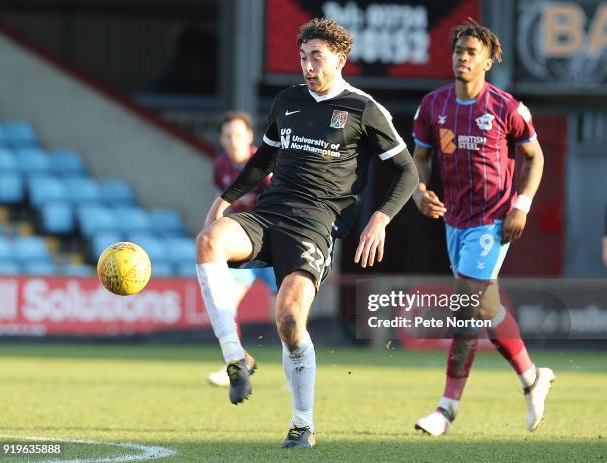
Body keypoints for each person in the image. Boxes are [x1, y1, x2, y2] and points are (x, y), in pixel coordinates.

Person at [196, 18, 418, 448]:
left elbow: (407, 171)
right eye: (303, 57)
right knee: (209, 241)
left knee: (290, 321)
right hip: (269, 213)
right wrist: (223, 200)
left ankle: (302, 423)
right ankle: (234, 356)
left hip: (316, 226)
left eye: (317, 57)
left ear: (340, 58)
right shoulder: (288, 101)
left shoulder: (363, 108)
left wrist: (381, 217)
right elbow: (263, 160)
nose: (308, 66)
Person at [411, 20, 554, 436]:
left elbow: (536, 158)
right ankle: (532, 378)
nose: (463, 57)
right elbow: (420, 160)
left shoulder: (507, 108)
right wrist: (420, 193)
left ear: (489, 61)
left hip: (493, 218)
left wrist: (521, 205)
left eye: (473, 52)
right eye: (459, 50)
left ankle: (446, 409)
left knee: (467, 306)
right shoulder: (433, 106)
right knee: (488, 309)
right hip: (454, 220)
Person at [206, 111, 278, 387]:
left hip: (270, 245)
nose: (233, 140)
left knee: (284, 314)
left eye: (238, 134)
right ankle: (235, 363)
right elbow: (223, 201)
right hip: (242, 249)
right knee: (225, 304)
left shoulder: (264, 162)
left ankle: (294, 368)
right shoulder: (221, 166)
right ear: (221, 139)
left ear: (249, 136)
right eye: (227, 135)